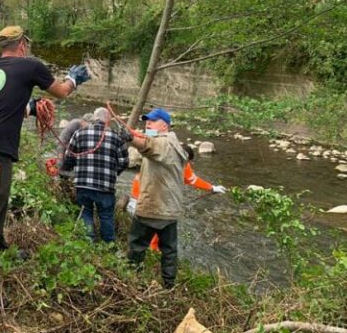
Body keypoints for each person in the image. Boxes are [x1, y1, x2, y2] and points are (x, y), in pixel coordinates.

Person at [0, 25, 91, 312]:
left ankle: (0, 248)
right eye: (26, 45)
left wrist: (32, 108)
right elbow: (61, 91)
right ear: (22, 45)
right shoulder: (29, 65)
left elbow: (0, 108)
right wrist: (74, 78)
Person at [125, 108, 187, 288]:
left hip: (153, 207)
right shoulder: (174, 144)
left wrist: (130, 138)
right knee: (169, 251)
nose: (148, 123)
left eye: (153, 121)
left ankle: (132, 282)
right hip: (169, 210)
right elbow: (147, 143)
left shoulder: (164, 142)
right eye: (147, 120)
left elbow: (148, 146)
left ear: (165, 125)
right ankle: (169, 286)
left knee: (137, 246)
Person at [127, 144, 227, 251]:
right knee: (156, 228)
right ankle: (152, 253)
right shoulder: (171, 163)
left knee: (146, 231)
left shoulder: (167, 158)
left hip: (140, 201)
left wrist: (212, 188)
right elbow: (191, 180)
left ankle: (145, 252)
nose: (187, 164)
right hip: (145, 202)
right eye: (187, 161)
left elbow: (191, 179)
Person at [61, 108, 129, 243]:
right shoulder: (117, 137)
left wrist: (68, 170)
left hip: (83, 185)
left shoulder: (79, 133)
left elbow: (69, 157)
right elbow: (124, 162)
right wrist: (113, 174)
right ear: (108, 121)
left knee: (85, 212)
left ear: (94, 118)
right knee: (106, 216)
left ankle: (89, 242)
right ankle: (108, 245)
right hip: (105, 187)